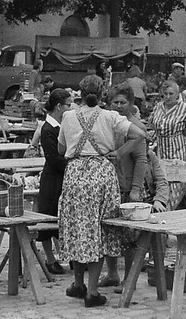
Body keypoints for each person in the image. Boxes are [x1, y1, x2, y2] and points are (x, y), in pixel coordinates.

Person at [58, 75, 145, 308]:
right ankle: (93, 292)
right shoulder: (110, 116)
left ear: (80, 92)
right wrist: (119, 152)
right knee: (100, 229)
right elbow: (140, 134)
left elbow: (61, 147)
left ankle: (78, 284)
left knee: (78, 227)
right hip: (101, 174)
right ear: (103, 93)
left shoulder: (68, 116)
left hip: (75, 175)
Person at [101, 83, 148, 291]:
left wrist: (136, 189)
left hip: (129, 188)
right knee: (109, 232)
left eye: (123, 102)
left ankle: (130, 278)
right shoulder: (108, 124)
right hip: (110, 187)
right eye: (115, 102)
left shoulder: (135, 127)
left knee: (130, 237)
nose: (118, 106)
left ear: (131, 104)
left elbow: (141, 161)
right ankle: (112, 273)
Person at [36, 88, 72, 275]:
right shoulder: (47, 129)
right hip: (52, 177)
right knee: (47, 217)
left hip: (62, 176)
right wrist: (73, 165)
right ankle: (50, 259)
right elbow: (53, 158)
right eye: (68, 105)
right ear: (59, 106)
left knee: (60, 219)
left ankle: (62, 255)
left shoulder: (61, 125)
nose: (70, 108)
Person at [149, 80, 186, 162]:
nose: (168, 97)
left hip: (178, 151)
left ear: (177, 94)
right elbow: (151, 122)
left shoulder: (183, 107)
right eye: (165, 94)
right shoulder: (158, 107)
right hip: (161, 151)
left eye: (171, 94)